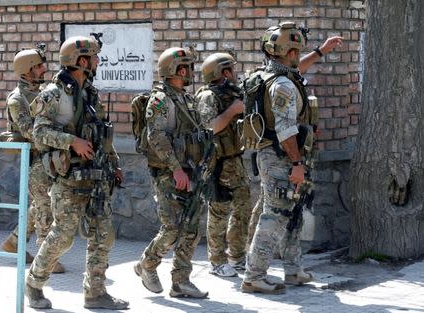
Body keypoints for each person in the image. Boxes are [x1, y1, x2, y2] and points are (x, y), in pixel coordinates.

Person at [25, 35, 128, 310]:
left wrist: (115, 163)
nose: (97, 61)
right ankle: (34, 284)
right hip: (69, 176)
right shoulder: (53, 94)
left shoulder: (90, 93)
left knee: (103, 235)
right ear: (81, 61)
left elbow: (101, 135)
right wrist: (72, 142)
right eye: (93, 57)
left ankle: (95, 293)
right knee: (62, 236)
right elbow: (39, 132)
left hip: (97, 176)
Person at [241, 22, 342, 294]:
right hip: (281, 157)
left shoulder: (277, 74)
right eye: (296, 49)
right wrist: (297, 164)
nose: (299, 54)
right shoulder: (283, 85)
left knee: (292, 212)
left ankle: (293, 270)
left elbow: (298, 69)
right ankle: (254, 276)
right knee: (274, 215)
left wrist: (321, 51)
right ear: (287, 51)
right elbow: (286, 130)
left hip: (281, 155)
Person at [134, 47, 210, 299]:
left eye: (189, 66)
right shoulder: (161, 100)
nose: (188, 71)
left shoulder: (185, 98)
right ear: (170, 70)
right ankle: (148, 263)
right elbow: (156, 136)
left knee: (191, 228)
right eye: (183, 67)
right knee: (172, 228)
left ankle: (181, 281)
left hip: (191, 171)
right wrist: (176, 169)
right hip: (169, 173)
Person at [0, 46, 65, 273]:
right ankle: (46, 259)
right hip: (35, 158)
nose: (43, 69)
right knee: (45, 206)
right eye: (38, 66)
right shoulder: (17, 99)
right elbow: (29, 130)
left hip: (52, 156)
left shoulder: (44, 91)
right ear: (26, 71)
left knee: (40, 204)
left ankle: (15, 241)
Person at [195, 53, 251, 277]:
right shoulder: (208, 96)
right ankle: (217, 261)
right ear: (223, 72)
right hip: (217, 163)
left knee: (243, 208)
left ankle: (237, 257)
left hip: (234, 161)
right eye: (232, 70)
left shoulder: (232, 93)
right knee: (219, 212)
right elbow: (210, 127)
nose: (236, 74)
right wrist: (233, 111)